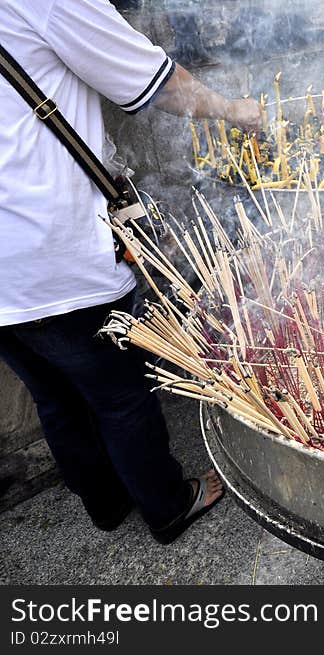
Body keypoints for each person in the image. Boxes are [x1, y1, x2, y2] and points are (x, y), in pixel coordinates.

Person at [0, 0, 261, 544]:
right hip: (55, 253)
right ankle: (168, 507)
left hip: (8, 274)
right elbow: (155, 85)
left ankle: (105, 504)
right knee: (121, 397)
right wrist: (238, 110)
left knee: (54, 396)